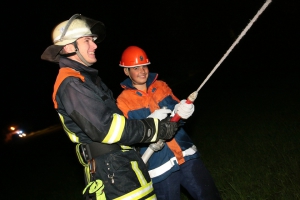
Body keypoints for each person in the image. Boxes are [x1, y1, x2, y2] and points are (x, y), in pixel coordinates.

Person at [41, 14, 180, 200]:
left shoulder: (86, 79)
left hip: (122, 167)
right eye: (87, 40)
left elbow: (118, 123)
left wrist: (150, 125)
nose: (95, 45)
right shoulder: (71, 84)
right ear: (68, 47)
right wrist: (155, 128)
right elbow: (108, 129)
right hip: (113, 175)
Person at [117, 46, 222, 200]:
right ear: (126, 71)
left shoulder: (161, 86)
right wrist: (151, 123)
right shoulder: (123, 101)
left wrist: (184, 111)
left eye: (144, 66)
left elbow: (178, 116)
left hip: (186, 156)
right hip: (159, 166)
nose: (142, 71)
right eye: (136, 68)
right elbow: (129, 136)